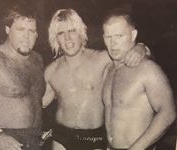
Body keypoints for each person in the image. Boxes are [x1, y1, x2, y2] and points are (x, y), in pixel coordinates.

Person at [42, 9, 149, 150]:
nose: (67, 38)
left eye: (72, 31)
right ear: (55, 38)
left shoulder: (102, 59)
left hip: (94, 137)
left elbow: (133, 55)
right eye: (61, 33)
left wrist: (142, 48)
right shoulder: (51, 71)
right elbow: (38, 104)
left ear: (81, 32)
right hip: (61, 137)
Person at [102, 9, 176, 150]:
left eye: (119, 36)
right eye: (108, 37)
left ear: (133, 35)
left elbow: (168, 113)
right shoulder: (108, 70)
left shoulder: (148, 69)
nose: (113, 43)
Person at [0, 3, 45, 150]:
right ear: (7, 29)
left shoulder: (37, 60)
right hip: (0, 141)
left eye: (32, 31)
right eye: (20, 29)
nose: (27, 37)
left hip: (33, 140)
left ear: (37, 34)